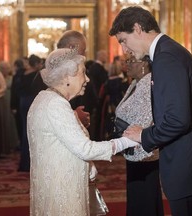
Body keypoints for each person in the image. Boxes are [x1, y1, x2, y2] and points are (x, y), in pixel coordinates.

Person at [109, 6, 192, 216]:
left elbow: (178, 120)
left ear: (138, 28)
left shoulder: (166, 57)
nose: (124, 49)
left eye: (123, 40)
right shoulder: (169, 51)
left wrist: (143, 135)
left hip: (188, 164)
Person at [27, 48, 138, 216]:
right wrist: (128, 141)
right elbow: (85, 149)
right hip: (63, 189)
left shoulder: (45, 97)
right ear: (66, 77)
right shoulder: (56, 105)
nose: (87, 79)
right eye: (82, 73)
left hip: (55, 184)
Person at [115, 55, 164, 216]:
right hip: (134, 148)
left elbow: (145, 119)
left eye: (130, 61)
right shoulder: (136, 83)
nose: (126, 65)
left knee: (144, 198)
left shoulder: (147, 84)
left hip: (143, 151)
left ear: (143, 64)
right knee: (139, 197)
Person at [56, 30, 97, 135]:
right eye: (83, 51)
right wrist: (74, 116)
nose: (84, 56)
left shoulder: (73, 67)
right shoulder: (52, 72)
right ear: (71, 47)